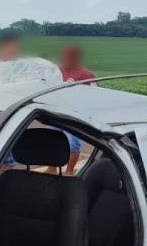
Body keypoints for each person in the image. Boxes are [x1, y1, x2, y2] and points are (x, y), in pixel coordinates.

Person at [56, 45, 96, 173]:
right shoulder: (56, 71)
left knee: (73, 144)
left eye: (69, 55)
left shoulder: (86, 74)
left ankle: (69, 170)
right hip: (56, 112)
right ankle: (52, 168)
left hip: (74, 115)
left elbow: (95, 95)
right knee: (54, 140)